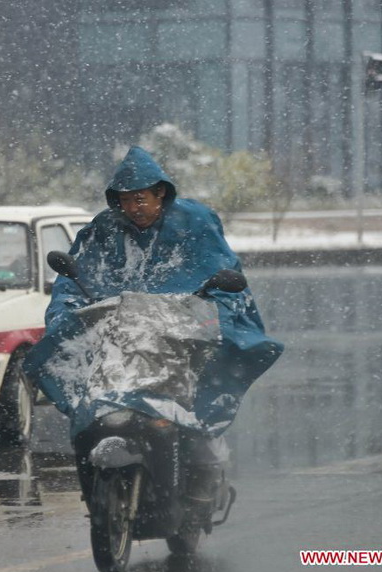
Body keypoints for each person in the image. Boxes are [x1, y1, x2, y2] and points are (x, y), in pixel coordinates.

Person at [23, 145, 283, 502]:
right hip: (119, 343)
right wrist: (66, 312)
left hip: (177, 338)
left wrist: (215, 314)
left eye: (141, 198)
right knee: (87, 414)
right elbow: (75, 279)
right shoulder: (105, 229)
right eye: (126, 200)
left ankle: (201, 482)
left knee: (195, 414)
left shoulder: (195, 222)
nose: (134, 208)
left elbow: (223, 276)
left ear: (161, 192)